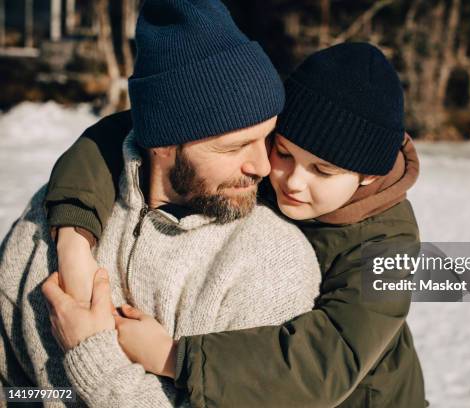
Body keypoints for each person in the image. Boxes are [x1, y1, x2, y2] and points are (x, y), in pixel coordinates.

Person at [42, 43, 428, 407]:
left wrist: (174, 357)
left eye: (323, 171)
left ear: (368, 178)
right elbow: (135, 131)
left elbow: (328, 362)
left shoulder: (391, 246)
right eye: (284, 153)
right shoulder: (261, 169)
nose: (292, 181)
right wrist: (74, 237)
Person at [0, 1, 322, 406]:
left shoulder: (273, 262)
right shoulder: (54, 221)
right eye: (235, 146)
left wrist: (93, 356)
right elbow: (11, 380)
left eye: (267, 137)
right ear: (163, 144)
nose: (261, 165)